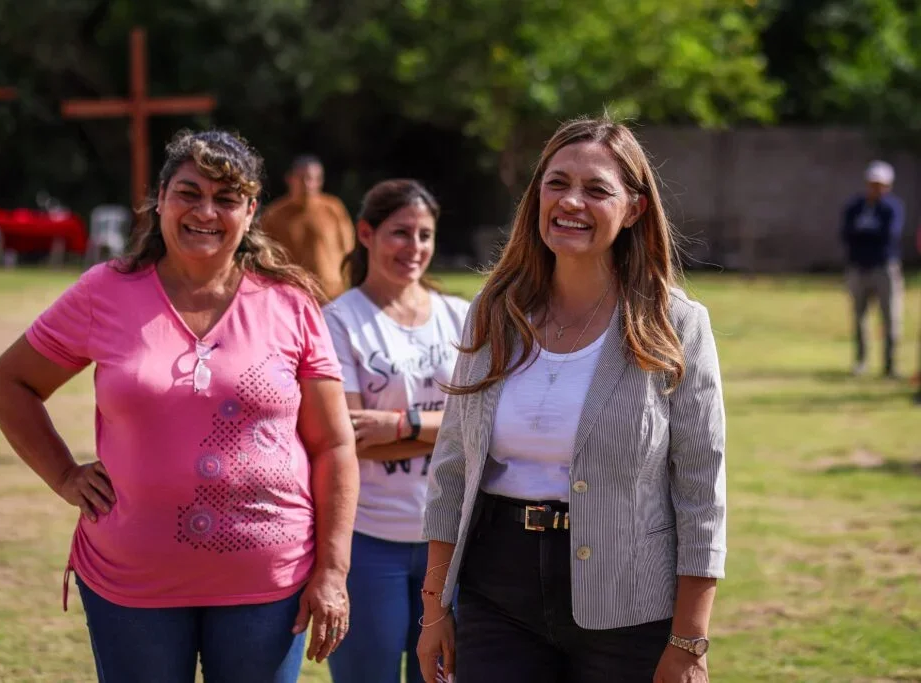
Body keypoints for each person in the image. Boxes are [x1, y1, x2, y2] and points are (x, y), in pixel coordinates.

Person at [0, 130, 359, 683]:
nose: (205, 211)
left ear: (251, 210)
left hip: (267, 579)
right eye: (189, 192)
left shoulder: (290, 303)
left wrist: (332, 569)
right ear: (160, 198)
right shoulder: (105, 293)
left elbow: (332, 444)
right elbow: (12, 383)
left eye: (227, 198)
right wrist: (64, 474)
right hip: (132, 579)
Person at [416, 117, 727, 683]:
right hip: (497, 594)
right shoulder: (494, 312)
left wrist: (689, 641)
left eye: (597, 189)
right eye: (556, 183)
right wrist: (434, 609)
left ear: (634, 208)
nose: (571, 202)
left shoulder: (677, 325)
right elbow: (452, 471)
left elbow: (701, 494)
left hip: (630, 607)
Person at [323, 180, 470, 683]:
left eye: (425, 235)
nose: (415, 248)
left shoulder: (460, 317)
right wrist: (450, 430)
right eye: (400, 233)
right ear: (366, 233)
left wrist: (401, 425)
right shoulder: (339, 320)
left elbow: (488, 426)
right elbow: (351, 437)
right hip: (370, 539)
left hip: (451, 541)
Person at [841, 160, 905, 378]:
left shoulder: (892, 208)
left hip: (884, 268)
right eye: (873, 183)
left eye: (880, 184)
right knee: (859, 318)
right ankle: (861, 362)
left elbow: (889, 236)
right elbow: (846, 234)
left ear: (888, 186)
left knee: (890, 318)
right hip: (858, 268)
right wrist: (866, 236)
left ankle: (890, 365)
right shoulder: (855, 206)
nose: (876, 188)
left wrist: (864, 234)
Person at [260, 155, 356, 301]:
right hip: (293, 297)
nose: (307, 184)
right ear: (290, 179)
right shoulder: (274, 215)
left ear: (320, 181)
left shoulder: (333, 208)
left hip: (333, 296)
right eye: (302, 178)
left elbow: (348, 248)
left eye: (313, 179)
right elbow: (265, 257)